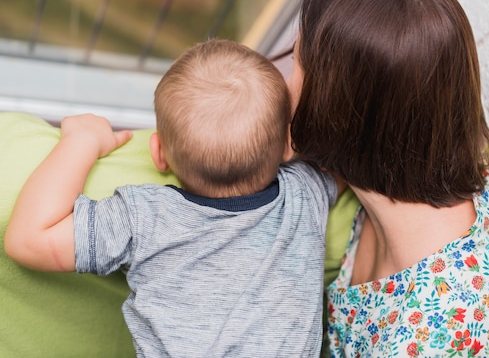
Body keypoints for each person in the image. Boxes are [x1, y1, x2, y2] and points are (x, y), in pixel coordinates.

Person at [4, 39, 343, 357]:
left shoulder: (144, 219)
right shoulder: (305, 193)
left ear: (158, 154)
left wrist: (81, 142)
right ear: (288, 146)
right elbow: (349, 152)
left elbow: (29, 240)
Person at [287, 0, 489, 356]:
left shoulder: (422, 337)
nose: (283, 85)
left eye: (295, 66)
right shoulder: (455, 165)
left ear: (344, 113)